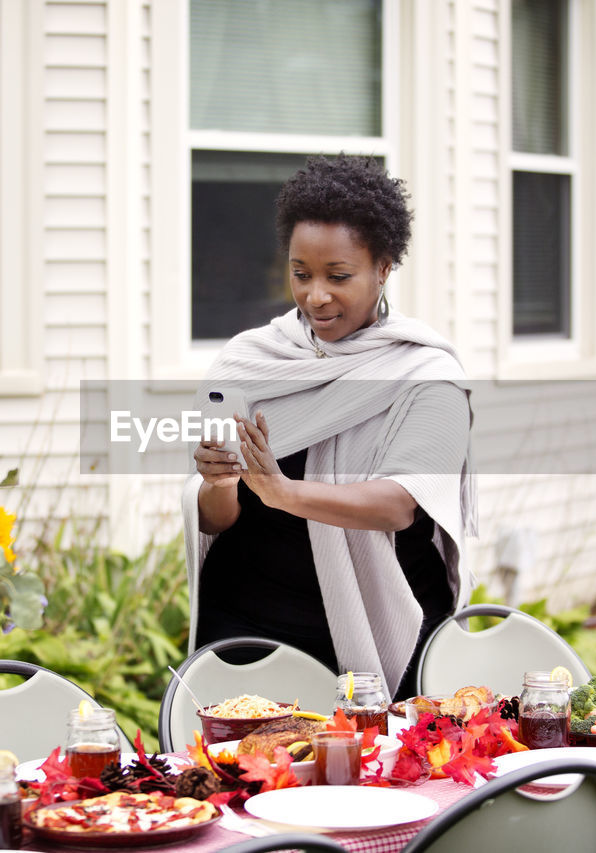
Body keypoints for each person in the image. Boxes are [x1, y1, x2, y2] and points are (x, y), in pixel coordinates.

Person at [181, 155, 475, 698]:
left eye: (338, 276)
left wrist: (284, 492)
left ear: (384, 267)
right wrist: (219, 485)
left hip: (384, 631)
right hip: (250, 634)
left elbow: (399, 503)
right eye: (301, 274)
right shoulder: (249, 363)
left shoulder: (427, 376)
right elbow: (217, 520)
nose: (316, 295)